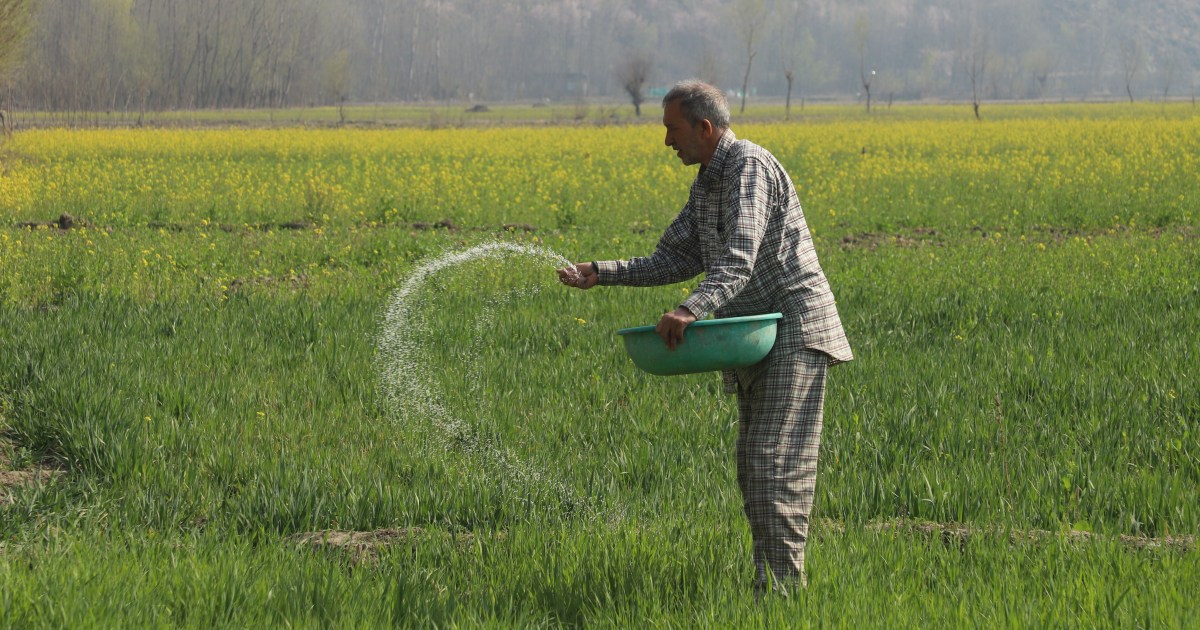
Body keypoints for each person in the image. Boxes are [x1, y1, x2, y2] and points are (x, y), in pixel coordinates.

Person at [558, 79, 852, 596]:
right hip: (753, 336)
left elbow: (738, 258)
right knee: (752, 468)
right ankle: (773, 588)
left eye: (672, 129)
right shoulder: (707, 185)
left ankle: (782, 595)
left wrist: (689, 309)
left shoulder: (748, 168)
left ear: (705, 128)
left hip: (795, 330)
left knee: (772, 465)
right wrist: (601, 272)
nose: (666, 141)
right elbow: (673, 257)